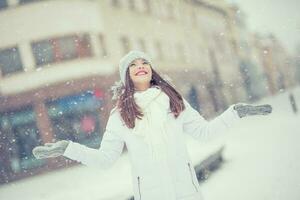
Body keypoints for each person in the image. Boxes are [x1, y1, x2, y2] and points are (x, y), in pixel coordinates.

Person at [32, 50, 272, 200]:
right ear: (127, 76)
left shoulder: (175, 102)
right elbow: (105, 159)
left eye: (144, 62)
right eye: (133, 64)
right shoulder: (120, 115)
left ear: (151, 70)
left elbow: (204, 133)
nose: (140, 66)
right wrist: (68, 148)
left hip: (186, 192)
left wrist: (234, 113)